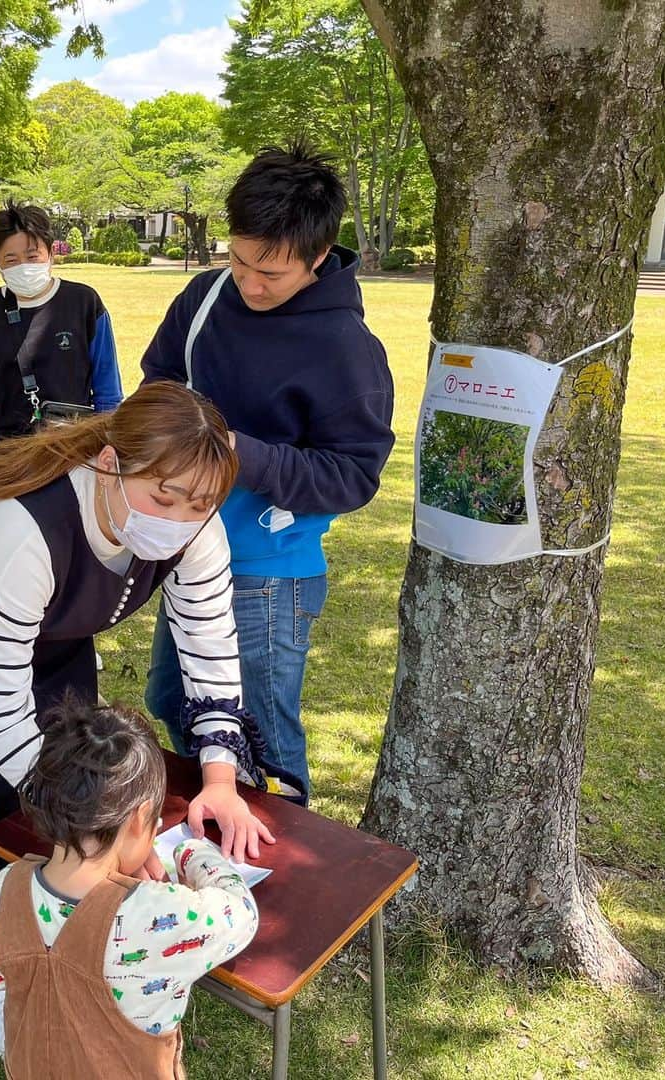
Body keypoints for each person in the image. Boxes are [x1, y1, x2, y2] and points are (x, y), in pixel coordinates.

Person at [0, 381, 275, 1054]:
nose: (180, 519)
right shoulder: (18, 526)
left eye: (200, 504)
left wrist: (221, 776)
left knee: (68, 770)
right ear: (109, 464)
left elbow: (209, 646)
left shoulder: (194, 519)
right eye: (163, 498)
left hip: (47, 626)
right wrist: (97, 833)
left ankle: (62, 929)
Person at [141, 143, 396, 806]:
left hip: (267, 573)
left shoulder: (345, 348)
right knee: (172, 699)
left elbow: (353, 474)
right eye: (240, 260)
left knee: (262, 739)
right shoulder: (204, 297)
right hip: (186, 549)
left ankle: (283, 873)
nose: (250, 284)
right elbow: (159, 381)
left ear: (318, 257)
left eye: (272, 274)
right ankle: (217, 825)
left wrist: (235, 451)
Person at [0, 699, 259, 1076]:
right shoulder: (160, 914)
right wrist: (192, 853)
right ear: (141, 819)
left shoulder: (5, 886)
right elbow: (241, 914)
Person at [0, 201, 123, 472]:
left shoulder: (84, 302)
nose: (24, 266)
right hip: (9, 454)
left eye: (32, 256)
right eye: (11, 260)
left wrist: (107, 448)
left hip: (74, 451)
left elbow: (107, 391)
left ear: (50, 253)